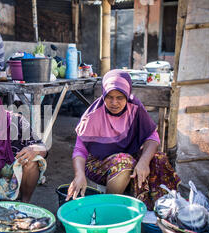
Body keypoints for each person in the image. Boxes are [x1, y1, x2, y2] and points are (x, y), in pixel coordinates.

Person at [66, 69, 180, 210]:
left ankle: (159, 210)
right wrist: (79, 175)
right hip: (98, 164)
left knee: (159, 159)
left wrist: (144, 162)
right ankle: (108, 209)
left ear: (127, 95)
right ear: (103, 95)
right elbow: (79, 149)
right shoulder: (93, 114)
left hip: (130, 158)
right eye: (109, 97)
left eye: (120, 97)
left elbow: (152, 136)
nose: (114, 103)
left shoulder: (135, 108)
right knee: (124, 161)